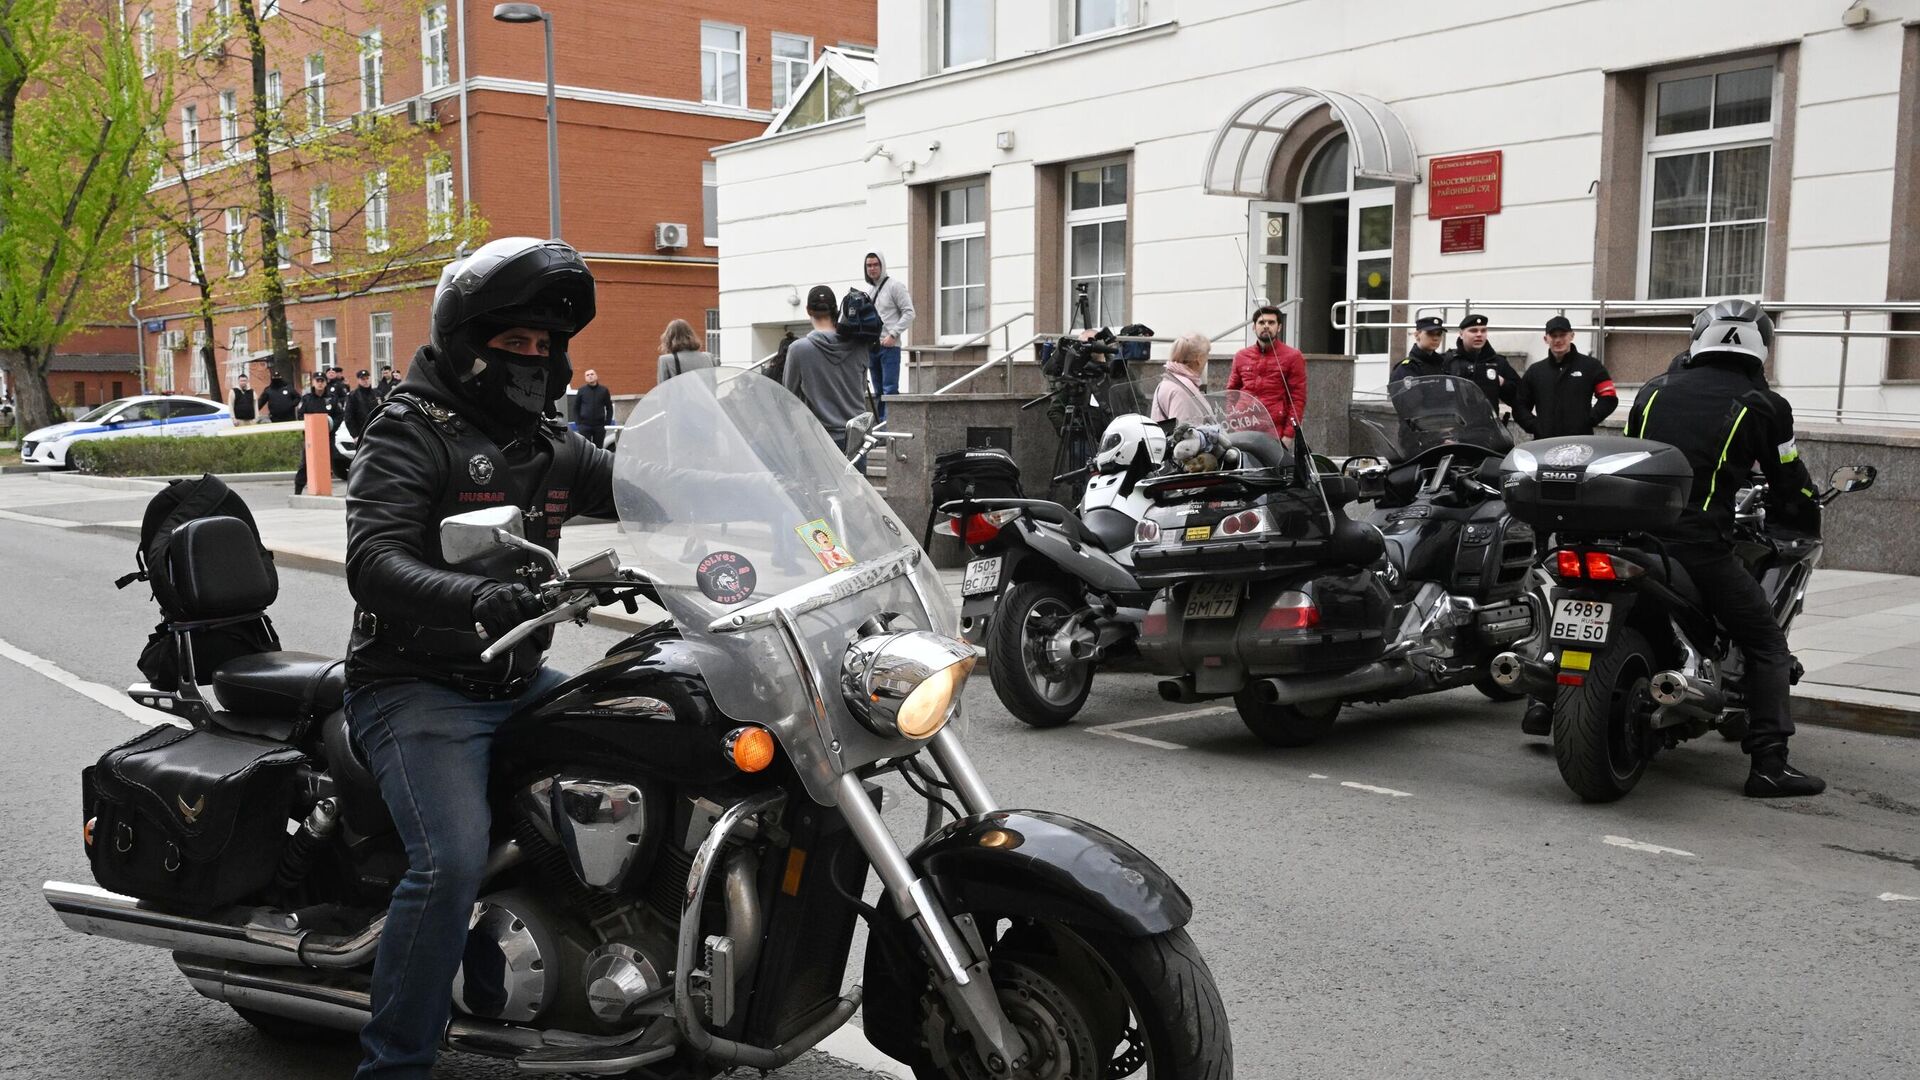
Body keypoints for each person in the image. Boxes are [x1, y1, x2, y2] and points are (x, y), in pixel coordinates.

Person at [342, 237, 614, 1079]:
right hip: (416, 688)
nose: (533, 361)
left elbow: (649, 483)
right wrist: (474, 596)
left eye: (545, 346)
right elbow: (374, 559)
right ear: (468, 346)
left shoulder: (549, 442)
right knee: (450, 857)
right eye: (514, 345)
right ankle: (395, 1065)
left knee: (653, 744)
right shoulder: (409, 432)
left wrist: (755, 500)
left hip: (519, 679)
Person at [1622, 299, 1823, 797]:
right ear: (1760, 347)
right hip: (1697, 548)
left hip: (1630, 539)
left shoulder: (1652, 392)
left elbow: (1630, 457)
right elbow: (1788, 477)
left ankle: (1543, 710)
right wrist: (1801, 513)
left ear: (1699, 337)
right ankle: (1770, 764)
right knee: (1766, 643)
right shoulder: (1764, 405)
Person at [783, 284, 868, 449]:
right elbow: (862, 388)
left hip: (817, 442)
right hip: (855, 440)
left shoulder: (799, 349)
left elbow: (788, 395)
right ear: (836, 310)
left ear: (808, 310)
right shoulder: (860, 346)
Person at [1513, 315, 1617, 437]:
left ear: (1572, 336)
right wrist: (1536, 426)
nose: (1558, 340)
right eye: (1553, 336)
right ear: (1546, 339)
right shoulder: (1535, 371)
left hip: (1580, 443)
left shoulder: (1591, 366)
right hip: (1545, 444)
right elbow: (1519, 405)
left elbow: (1609, 397)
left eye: (1562, 335)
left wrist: (1588, 420)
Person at [1226, 305, 1307, 441]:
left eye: (1271, 322)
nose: (1266, 326)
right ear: (1254, 327)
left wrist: (1289, 434)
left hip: (1273, 430)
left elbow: (1297, 398)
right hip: (1242, 427)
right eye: (1262, 322)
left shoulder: (1293, 356)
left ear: (1279, 327)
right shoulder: (1241, 356)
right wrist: (1231, 420)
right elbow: (1232, 391)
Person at [860, 251, 914, 421]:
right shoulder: (869, 291)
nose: (872, 268)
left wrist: (893, 334)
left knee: (889, 390)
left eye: (876, 264)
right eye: (869, 265)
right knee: (878, 391)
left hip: (890, 347)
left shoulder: (895, 286)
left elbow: (909, 313)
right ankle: (882, 429)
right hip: (873, 346)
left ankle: (890, 428)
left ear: (882, 265)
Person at [1446, 314, 1520, 411]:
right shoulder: (1449, 360)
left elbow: (1519, 396)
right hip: (1455, 422)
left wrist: (1502, 383)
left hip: (1487, 423)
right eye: (1473, 331)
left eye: (1483, 331)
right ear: (1461, 334)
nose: (1479, 334)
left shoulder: (1498, 362)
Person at [1151, 332, 1212, 425]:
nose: (1207, 360)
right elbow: (1183, 432)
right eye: (1207, 355)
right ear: (1199, 359)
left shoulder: (1171, 380)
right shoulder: (1183, 388)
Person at [655, 318, 717, 385]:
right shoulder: (708, 357)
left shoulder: (666, 360)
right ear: (691, 335)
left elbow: (662, 390)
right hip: (705, 395)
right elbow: (714, 385)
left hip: (681, 395)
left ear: (668, 338)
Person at [1393, 316, 1451, 382]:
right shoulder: (1407, 368)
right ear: (1417, 335)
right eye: (1430, 333)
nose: (1435, 338)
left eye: (1439, 334)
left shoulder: (1442, 363)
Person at [574, 367, 613, 449]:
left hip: (599, 426)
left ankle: (598, 462)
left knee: (598, 449)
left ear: (596, 376)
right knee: (585, 448)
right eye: (587, 375)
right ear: (585, 378)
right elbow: (576, 407)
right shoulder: (581, 390)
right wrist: (578, 423)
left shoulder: (604, 390)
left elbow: (609, 408)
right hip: (585, 426)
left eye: (592, 374)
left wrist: (607, 423)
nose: (590, 376)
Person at [342, 368, 381, 439]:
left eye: (367, 378)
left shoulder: (377, 394)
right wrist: (355, 435)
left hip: (377, 432)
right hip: (361, 433)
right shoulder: (353, 396)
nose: (366, 381)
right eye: (363, 379)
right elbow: (349, 417)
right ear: (358, 380)